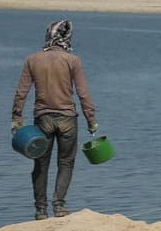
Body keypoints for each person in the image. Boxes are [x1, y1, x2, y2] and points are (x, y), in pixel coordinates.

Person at [9, 19, 98, 220]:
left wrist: (17, 118)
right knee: (66, 163)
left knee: (40, 164)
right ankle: (59, 206)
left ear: (49, 35)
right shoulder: (73, 60)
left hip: (43, 118)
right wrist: (91, 120)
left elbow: (21, 92)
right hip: (67, 119)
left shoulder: (33, 59)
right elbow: (83, 93)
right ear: (67, 37)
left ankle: (41, 210)